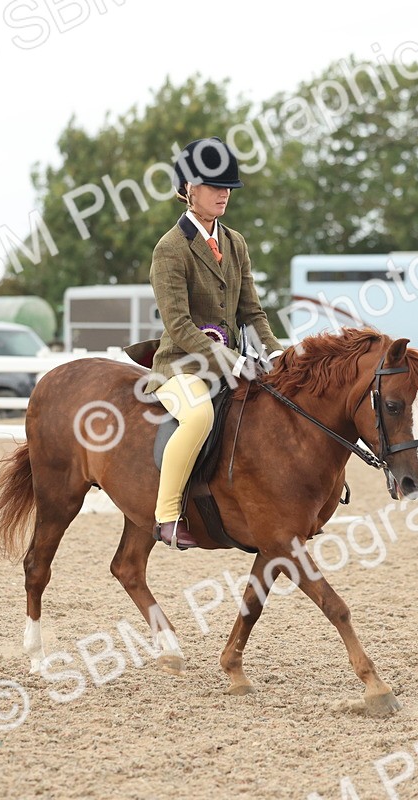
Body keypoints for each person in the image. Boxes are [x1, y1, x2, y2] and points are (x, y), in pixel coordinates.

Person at [135, 137, 283, 550]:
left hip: (234, 358)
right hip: (181, 366)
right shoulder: (170, 249)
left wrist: (276, 353)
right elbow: (179, 324)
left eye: (228, 188)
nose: (224, 194)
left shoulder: (235, 243)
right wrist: (232, 361)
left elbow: (251, 312)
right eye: (215, 186)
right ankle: (167, 516)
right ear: (188, 189)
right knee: (199, 418)